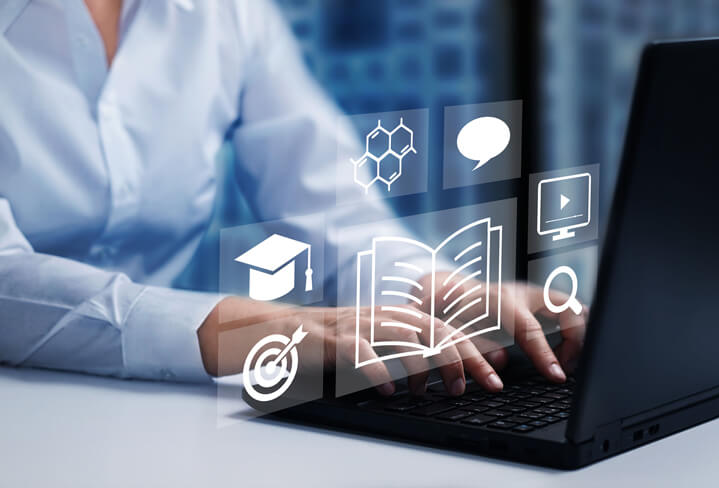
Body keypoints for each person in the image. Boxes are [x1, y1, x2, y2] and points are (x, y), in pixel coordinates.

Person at [0, 0, 586, 397]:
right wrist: (247, 328)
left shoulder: (227, 14)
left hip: (149, 405)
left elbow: (331, 207)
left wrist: (435, 290)